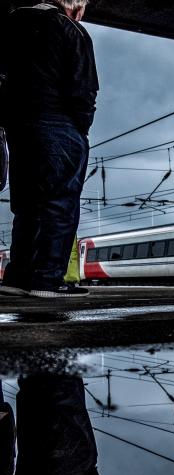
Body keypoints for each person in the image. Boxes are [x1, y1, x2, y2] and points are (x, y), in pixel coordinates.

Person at [0, 0, 98, 298]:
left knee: (27, 203)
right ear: (75, 7)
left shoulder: (8, 27)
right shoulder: (71, 30)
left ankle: (17, 277)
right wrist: (80, 128)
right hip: (59, 122)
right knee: (59, 201)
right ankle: (47, 280)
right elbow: (84, 88)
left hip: (17, 126)